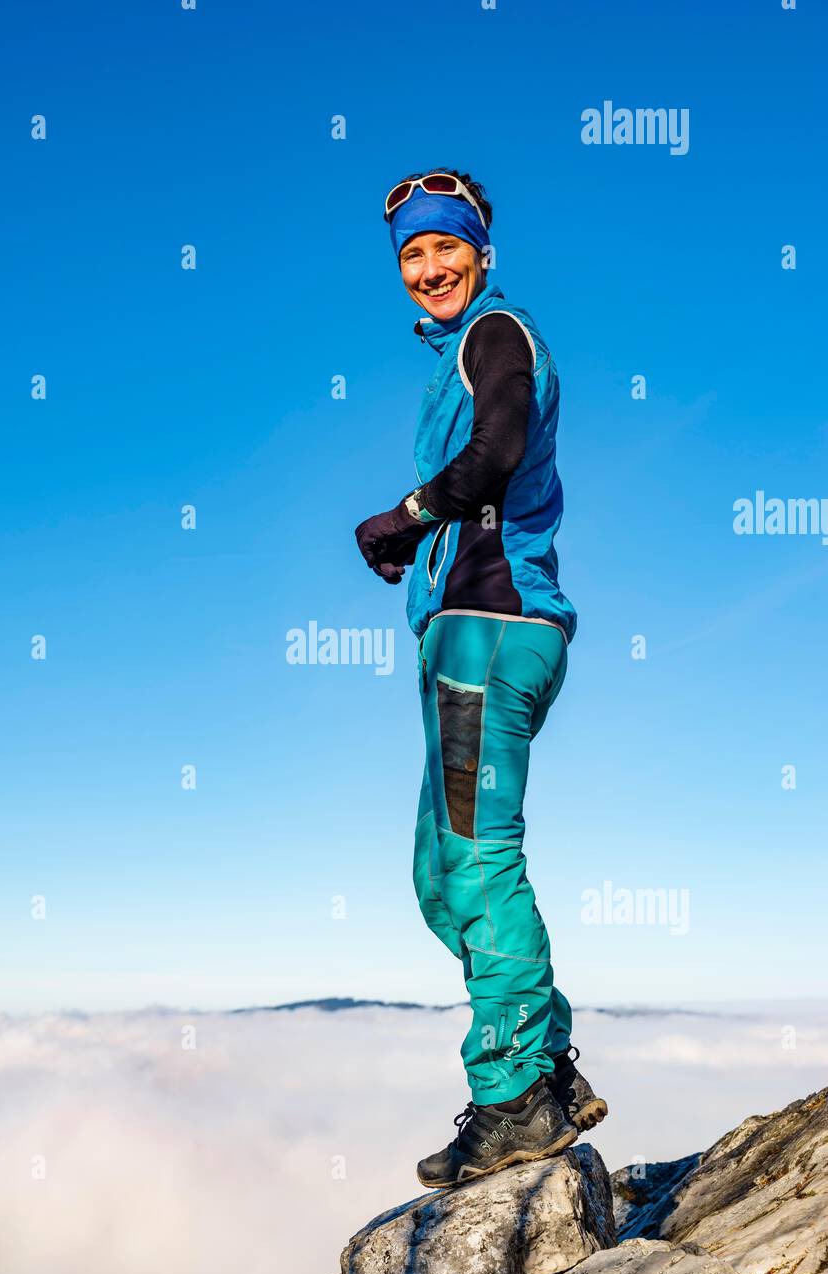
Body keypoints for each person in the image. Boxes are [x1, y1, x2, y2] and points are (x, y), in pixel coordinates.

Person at [355, 169, 608, 1188]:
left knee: (477, 857)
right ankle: (545, 1066)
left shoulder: (495, 335)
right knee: (439, 872)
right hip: (473, 634)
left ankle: (511, 1098)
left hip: (492, 630)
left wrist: (402, 517)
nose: (430, 267)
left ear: (482, 251)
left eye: (445, 246)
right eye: (412, 254)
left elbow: (497, 450)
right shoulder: (462, 350)